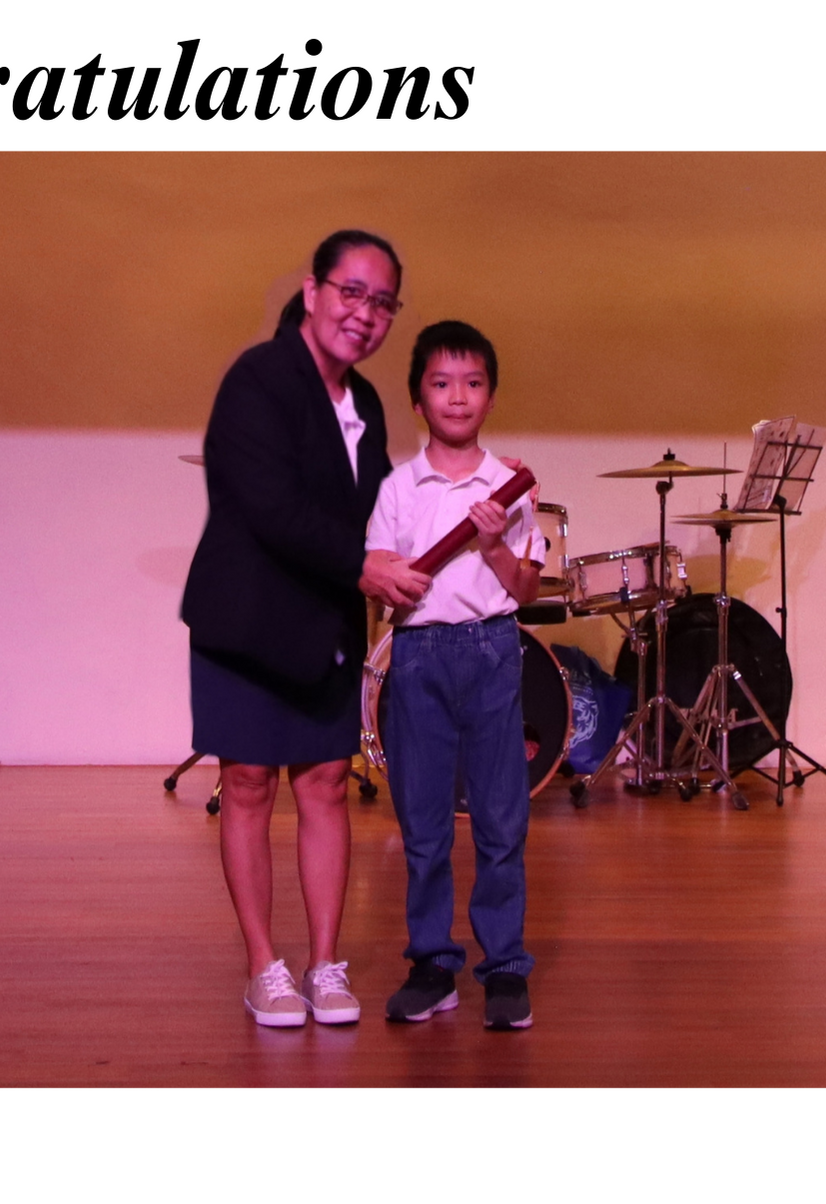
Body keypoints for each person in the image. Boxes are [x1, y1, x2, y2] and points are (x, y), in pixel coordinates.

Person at [181, 230, 430, 1028]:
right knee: (248, 784)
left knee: (324, 785)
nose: (365, 314)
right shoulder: (258, 379)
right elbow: (268, 505)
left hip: (324, 619)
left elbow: (376, 508)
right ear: (314, 291)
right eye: (352, 292)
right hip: (247, 617)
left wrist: (452, 517)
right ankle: (264, 967)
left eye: (383, 302)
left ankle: (325, 965)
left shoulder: (367, 403)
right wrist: (363, 566)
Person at [366, 320, 543, 1030]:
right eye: (441, 384)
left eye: (472, 383)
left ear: (491, 397)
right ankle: (432, 965)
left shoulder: (510, 485)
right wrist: (389, 582)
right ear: (418, 400)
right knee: (423, 822)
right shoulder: (397, 487)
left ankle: (504, 968)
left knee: (501, 819)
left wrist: (495, 543)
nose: (458, 397)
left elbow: (525, 590)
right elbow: (381, 579)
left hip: (492, 651)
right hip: (417, 657)